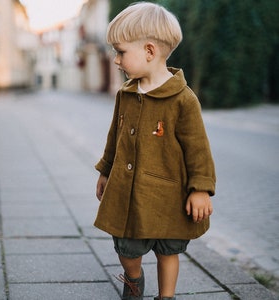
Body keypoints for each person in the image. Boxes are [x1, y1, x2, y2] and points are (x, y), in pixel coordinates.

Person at [95, 2, 216, 300]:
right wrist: (105, 170)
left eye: (121, 52)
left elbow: (198, 149)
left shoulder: (183, 100)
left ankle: (167, 296)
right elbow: (115, 136)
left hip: (168, 197)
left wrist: (200, 189)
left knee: (168, 251)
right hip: (127, 194)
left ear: (149, 51)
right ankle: (134, 280)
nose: (116, 60)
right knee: (126, 246)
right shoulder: (126, 93)